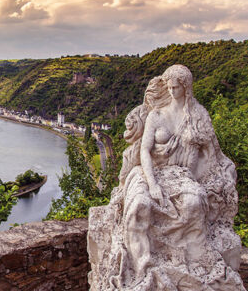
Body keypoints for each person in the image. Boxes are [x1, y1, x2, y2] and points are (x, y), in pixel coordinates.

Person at [88, 65, 244, 290]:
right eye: (168, 87)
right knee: (139, 205)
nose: (171, 91)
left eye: (175, 87)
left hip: (182, 176)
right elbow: (144, 151)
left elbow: (211, 154)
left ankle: (187, 262)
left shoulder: (198, 116)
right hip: (150, 172)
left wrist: (209, 179)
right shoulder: (157, 115)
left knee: (194, 202)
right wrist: (152, 184)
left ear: (186, 88)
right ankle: (142, 268)